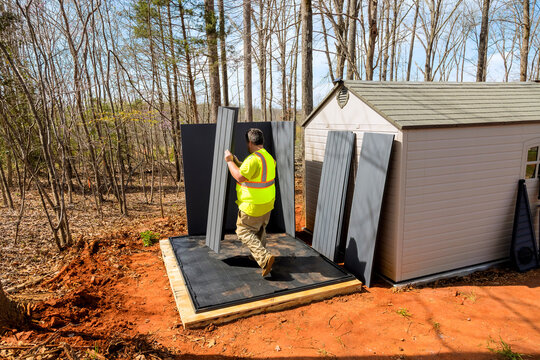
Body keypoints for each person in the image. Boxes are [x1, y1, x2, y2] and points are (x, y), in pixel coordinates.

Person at [224, 128, 276, 276]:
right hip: (267, 203)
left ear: (250, 142)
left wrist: (229, 162)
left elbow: (240, 177)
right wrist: (237, 161)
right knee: (259, 230)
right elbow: (253, 173)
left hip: (252, 204)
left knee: (243, 230)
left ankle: (264, 258)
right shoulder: (269, 158)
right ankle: (257, 257)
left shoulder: (253, 159)